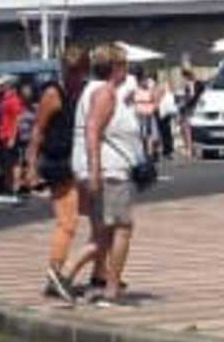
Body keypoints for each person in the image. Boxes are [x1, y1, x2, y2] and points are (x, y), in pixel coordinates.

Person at [73, 44, 151, 306]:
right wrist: (95, 170)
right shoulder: (104, 92)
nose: (127, 69)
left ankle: (95, 278)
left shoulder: (100, 90)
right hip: (112, 171)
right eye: (124, 64)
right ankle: (108, 286)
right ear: (115, 67)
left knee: (104, 231)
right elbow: (93, 131)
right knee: (121, 228)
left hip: (108, 169)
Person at [31, 65, 82, 299]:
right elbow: (38, 130)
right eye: (72, 72)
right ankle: (55, 272)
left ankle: (60, 273)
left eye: (79, 72)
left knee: (79, 220)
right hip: (57, 162)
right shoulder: (53, 94)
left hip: (72, 161)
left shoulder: (78, 91)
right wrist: (31, 166)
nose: (76, 77)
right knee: (67, 222)